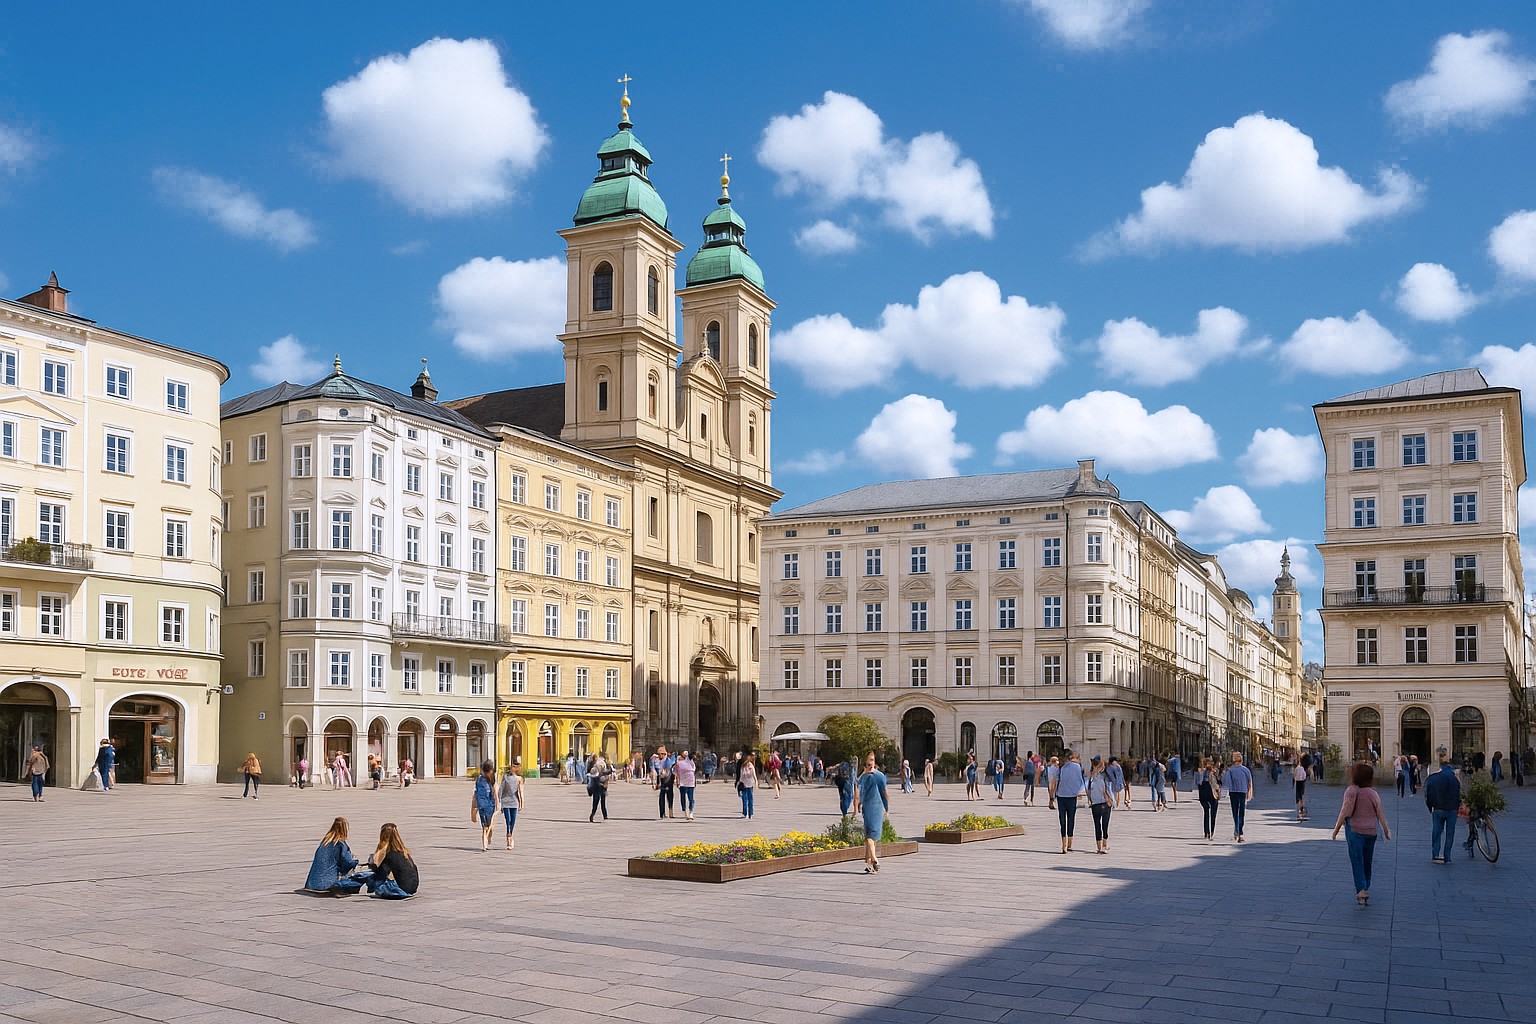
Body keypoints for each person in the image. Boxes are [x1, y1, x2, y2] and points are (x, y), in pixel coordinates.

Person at [1331, 761, 1391, 906]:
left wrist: (1336, 829)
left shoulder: (1351, 791)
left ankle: (1361, 889)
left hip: (1355, 830)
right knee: (1367, 860)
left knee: (1356, 860)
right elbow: (1380, 812)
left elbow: (1345, 811)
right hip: (1371, 832)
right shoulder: (1372, 793)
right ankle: (1366, 886)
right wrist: (1386, 829)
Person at [304, 817, 365, 895]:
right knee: (354, 872)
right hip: (328, 885)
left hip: (311, 884)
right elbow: (348, 862)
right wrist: (355, 861)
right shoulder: (341, 844)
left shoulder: (325, 842)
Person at [851, 751, 890, 873]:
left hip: (875, 807)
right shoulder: (864, 777)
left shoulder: (875, 776)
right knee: (871, 835)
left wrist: (886, 807)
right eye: (869, 761)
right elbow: (857, 794)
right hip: (870, 807)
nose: (870, 763)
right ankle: (875, 860)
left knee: (871, 835)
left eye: (872, 760)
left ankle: (868, 862)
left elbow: (884, 793)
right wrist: (856, 808)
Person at [362, 823, 419, 899]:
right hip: (412, 887)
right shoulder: (404, 852)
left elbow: (381, 873)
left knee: (367, 877)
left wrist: (373, 862)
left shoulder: (390, 854)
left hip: (401, 889)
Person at [1425, 746, 1461, 863]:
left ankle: (1435, 853)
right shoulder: (1454, 778)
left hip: (1438, 808)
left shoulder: (1433, 778)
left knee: (1436, 830)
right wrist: (1457, 806)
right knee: (1450, 833)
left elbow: (1428, 794)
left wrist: (1430, 806)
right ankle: (1447, 856)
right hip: (1451, 809)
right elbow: (1458, 793)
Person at [1050, 749, 1086, 853]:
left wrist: (1051, 798)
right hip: (1070, 797)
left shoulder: (1059, 767)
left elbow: (1054, 782)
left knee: (1063, 820)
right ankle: (1068, 844)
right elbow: (1080, 780)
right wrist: (1077, 791)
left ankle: (1065, 845)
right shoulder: (1076, 767)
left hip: (1062, 796)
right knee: (1070, 819)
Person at [1221, 752, 1255, 842]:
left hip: (1233, 793)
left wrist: (1223, 794)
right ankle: (1240, 833)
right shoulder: (1246, 770)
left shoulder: (1230, 770)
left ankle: (1237, 831)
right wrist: (1250, 794)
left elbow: (1227, 783)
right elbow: (1250, 782)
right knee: (1241, 813)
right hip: (1242, 793)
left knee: (1235, 813)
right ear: (1241, 760)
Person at [1087, 755, 1114, 854]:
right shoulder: (1104, 776)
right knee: (1105, 825)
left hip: (1095, 802)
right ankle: (1104, 846)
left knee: (1097, 825)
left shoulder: (1091, 777)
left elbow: (1088, 790)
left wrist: (1090, 800)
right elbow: (1104, 789)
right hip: (1104, 802)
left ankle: (1098, 847)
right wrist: (1109, 800)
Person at [498, 760, 524, 849]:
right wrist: (499, 800)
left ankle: (510, 835)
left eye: (516, 767)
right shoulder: (506, 777)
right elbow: (501, 789)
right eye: (513, 766)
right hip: (505, 801)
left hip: (514, 802)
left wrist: (521, 802)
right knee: (507, 820)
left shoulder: (519, 778)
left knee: (513, 821)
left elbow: (520, 792)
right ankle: (508, 837)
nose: (514, 768)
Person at [473, 760, 497, 851]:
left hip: (487, 805)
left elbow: (494, 793)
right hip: (484, 806)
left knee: (488, 825)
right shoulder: (481, 780)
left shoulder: (489, 780)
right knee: (485, 826)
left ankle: (488, 838)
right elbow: (476, 792)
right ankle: (485, 845)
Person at [1197, 758, 1222, 842]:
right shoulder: (1202, 773)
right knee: (1208, 813)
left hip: (1210, 794)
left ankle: (1210, 832)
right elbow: (1198, 783)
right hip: (1208, 793)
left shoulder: (1214, 773)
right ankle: (1208, 832)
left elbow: (1219, 782)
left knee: (1211, 814)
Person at [674, 750, 697, 821]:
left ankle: (691, 812)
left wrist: (695, 782)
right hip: (683, 782)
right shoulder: (679, 763)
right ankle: (685, 810)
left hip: (690, 783)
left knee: (691, 798)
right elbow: (677, 773)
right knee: (683, 798)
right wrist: (677, 781)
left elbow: (693, 772)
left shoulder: (692, 763)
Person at [654, 746, 676, 820]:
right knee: (661, 797)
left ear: (664, 754)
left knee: (670, 797)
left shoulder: (668, 761)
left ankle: (670, 811)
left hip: (668, 780)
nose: (659, 755)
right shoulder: (657, 761)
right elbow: (656, 772)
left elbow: (667, 772)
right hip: (661, 780)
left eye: (660, 754)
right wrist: (656, 783)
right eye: (658, 754)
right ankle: (662, 813)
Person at [588, 755, 611, 822]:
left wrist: (605, 785)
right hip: (596, 789)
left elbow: (607, 779)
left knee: (603, 802)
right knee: (595, 802)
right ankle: (592, 815)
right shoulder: (595, 772)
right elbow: (592, 780)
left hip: (602, 789)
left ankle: (605, 816)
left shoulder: (604, 772)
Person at [738, 751, 758, 819]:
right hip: (745, 784)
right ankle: (746, 813)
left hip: (749, 784)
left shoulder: (750, 766)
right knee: (745, 799)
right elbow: (741, 776)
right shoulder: (743, 766)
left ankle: (749, 814)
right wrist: (740, 782)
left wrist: (756, 782)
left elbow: (754, 775)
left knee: (749, 800)